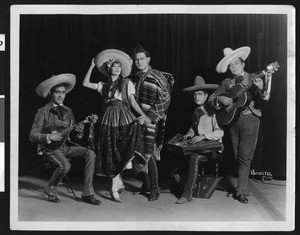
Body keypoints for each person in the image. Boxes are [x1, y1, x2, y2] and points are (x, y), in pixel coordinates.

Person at [82, 49, 147, 203]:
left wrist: (142, 115)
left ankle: (117, 184)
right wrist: (91, 66)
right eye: (113, 66)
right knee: (112, 151)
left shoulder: (126, 82)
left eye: (119, 67)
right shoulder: (103, 86)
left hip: (124, 118)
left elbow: (132, 101)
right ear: (108, 69)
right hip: (108, 120)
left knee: (122, 149)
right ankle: (114, 187)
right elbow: (85, 83)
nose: (117, 69)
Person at [209, 46, 269, 204]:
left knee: (245, 156)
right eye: (230, 65)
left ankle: (240, 191)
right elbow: (211, 99)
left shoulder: (254, 77)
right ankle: (242, 186)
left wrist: (262, 89)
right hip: (232, 120)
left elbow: (265, 97)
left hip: (250, 119)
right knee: (237, 156)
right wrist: (220, 99)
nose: (234, 66)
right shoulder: (226, 82)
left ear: (243, 64)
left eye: (236, 63)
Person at [29, 74, 101, 205]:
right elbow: (32, 135)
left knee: (90, 153)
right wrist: (49, 136)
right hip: (50, 149)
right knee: (65, 165)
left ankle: (88, 193)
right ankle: (50, 188)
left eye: (63, 92)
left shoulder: (69, 111)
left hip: (66, 147)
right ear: (51, 92)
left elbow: (71, 134)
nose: (60, 95)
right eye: (57, 92)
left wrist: (79, 132)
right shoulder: (43, 111)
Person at [132, 44, 174, 201]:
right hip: (137, 120)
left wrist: (149, 117)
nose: (139, 62)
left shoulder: (158, 77)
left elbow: (166, 98)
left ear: (148, 59)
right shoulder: (136, 77)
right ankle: (147, 183)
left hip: (150, 120)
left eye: (142, 58)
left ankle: (155, 189)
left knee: (149, 153)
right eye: (136, 59)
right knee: (137, 152)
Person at [175, 75, 224, 204]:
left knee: (194, 158)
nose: (196, 97)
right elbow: (193, 128)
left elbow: (220, 132)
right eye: (195, 94)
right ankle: (184, 184)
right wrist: (188, 134)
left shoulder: (213, 111)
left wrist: (203, 136)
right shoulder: (196, 110)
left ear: (206, 96)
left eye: (200, 94)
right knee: (178, 153)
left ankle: (187, 194)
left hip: (212, 149)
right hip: (198, 146)